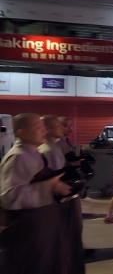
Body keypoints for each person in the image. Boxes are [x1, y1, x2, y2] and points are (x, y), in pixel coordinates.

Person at [0, 113, 74, 274]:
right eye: (38, 128)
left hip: (44, 223)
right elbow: (9, 197)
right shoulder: (18, 157)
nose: (43, 131)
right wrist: (49, 187)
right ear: (21, 132)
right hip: (30, 228)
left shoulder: (32, 153)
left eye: (43, 127)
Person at [39, 115, 85, 274]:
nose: (63, 128)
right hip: (59, 200)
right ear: (47, 129)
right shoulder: (46, 149)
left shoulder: (56, 145)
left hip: (67, 196)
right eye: (59, 125)